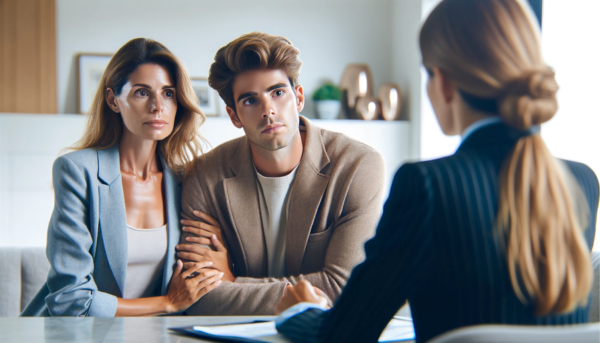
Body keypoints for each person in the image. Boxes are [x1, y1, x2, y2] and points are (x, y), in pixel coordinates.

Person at [274, 0, 599, 342]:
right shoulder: (582, 182)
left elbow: (343, 335)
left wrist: (298, 310)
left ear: (441, 81)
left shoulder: (428, 186)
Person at [175, 32, 386, 315]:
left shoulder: (358, 166)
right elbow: (197, 295)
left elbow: (341, 287)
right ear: (234, 116)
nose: (268, 111)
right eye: (250, 100)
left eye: (277, 93)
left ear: (298, 98)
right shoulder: (204, 176)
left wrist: (233, 282)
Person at [21, 38, 223, 317]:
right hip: (78, 335)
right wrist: (166, 303)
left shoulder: (187, 180)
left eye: (168, 93)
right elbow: (71, 300)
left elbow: (200, 277)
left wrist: (221, 260)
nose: (157, 106)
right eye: (142, 92)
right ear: (113, 100)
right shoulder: (77, 171)